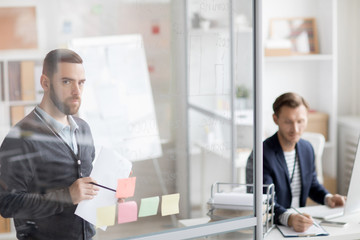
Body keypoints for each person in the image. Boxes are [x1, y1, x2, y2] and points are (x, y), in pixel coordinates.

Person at [0, 49, 100, 239]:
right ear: (45, 83)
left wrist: (110, 190)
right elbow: (7, 204)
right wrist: (67, 196)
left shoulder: (83, 129)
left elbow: (85, 185)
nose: (76, 91)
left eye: (81, 83)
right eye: (66, 81)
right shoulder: (21, 138)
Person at [246, 92, 346, 232]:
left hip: (297, 227)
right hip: (270, 227)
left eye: (300, 121)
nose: (295, 129)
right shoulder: (261, 154)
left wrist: (328, 197)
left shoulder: (307, 149)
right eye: (288, 122)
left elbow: (311, 183)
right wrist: (290, 218)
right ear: (276, 119)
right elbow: (264, 202)